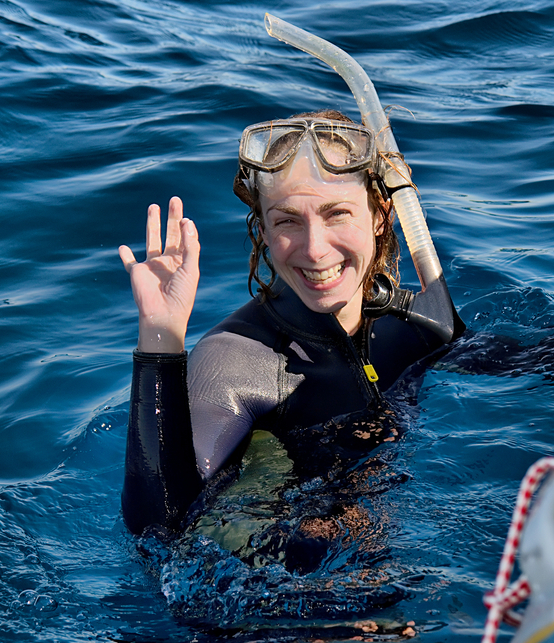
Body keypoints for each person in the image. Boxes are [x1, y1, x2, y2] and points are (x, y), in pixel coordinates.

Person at [119, 109, 460, 541]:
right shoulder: (236, 361)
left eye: (337, 214)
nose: (315, 250)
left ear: (379, 215)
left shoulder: (413, 329)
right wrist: (160, 339)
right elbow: (159, 528)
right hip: (291, 583)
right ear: (262, 228)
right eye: (287, 221)